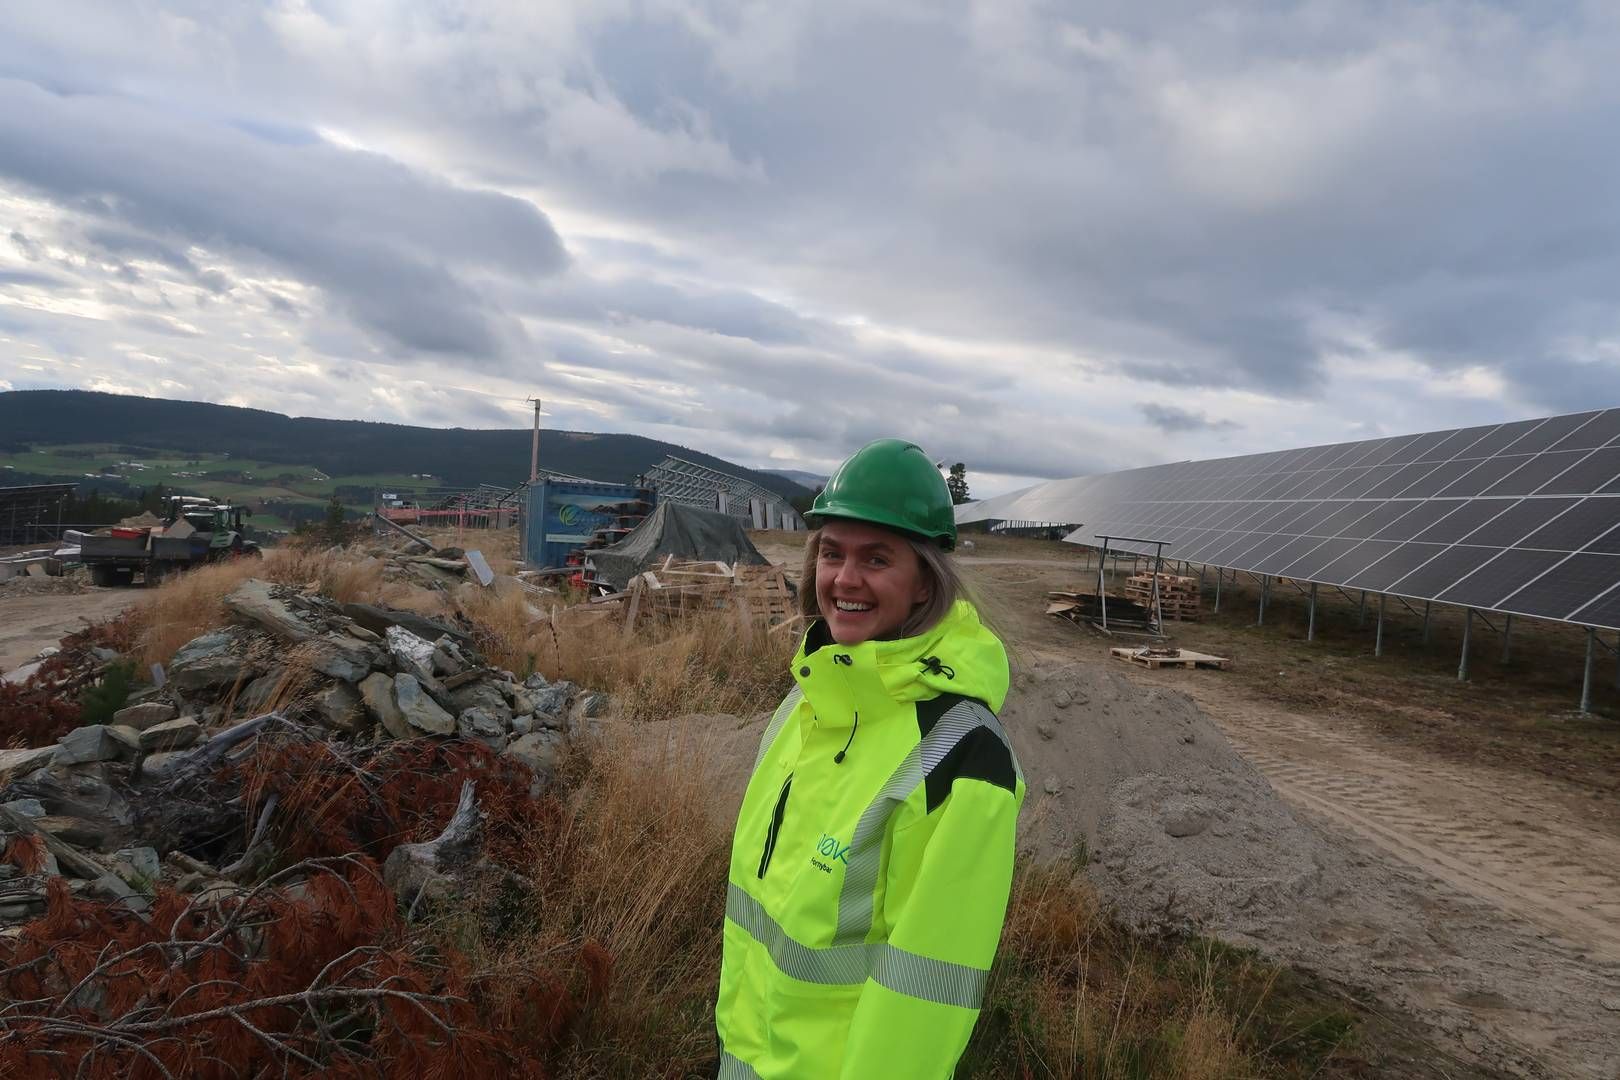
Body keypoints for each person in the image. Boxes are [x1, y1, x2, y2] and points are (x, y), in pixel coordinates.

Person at [714, 438, 1025, 1078]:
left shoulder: (962, 756)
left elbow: (924, 996)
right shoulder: (807, 703)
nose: (845, 579)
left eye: (876, 559)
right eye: (832, 553)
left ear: (923, 583)